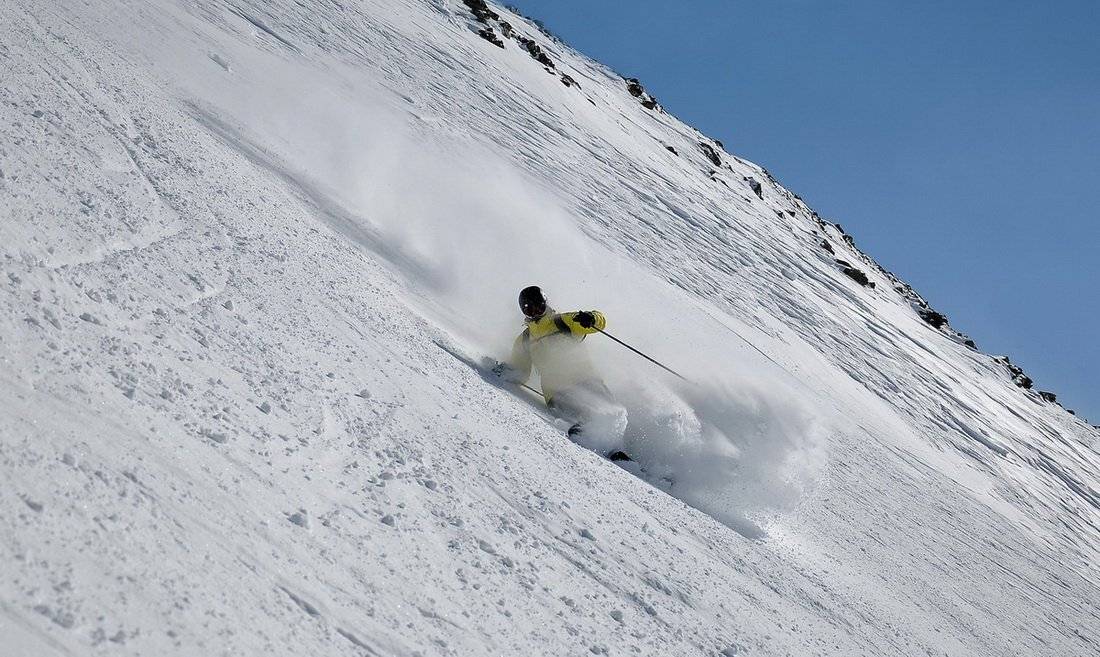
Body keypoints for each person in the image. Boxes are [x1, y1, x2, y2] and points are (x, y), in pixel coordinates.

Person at [493, 286, 629, 457]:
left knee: (611, 413)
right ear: (524, 312)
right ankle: (586, 435)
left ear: (545, 304)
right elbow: (520, 371)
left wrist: (591, 318)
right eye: (530, 309)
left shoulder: (564, 321)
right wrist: (504, 371)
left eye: (539, 307)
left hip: (586, 380)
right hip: (557, 393)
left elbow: (599, 321)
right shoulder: (525, 340)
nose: (536, 312)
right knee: (582, 412)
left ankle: (621, 452)